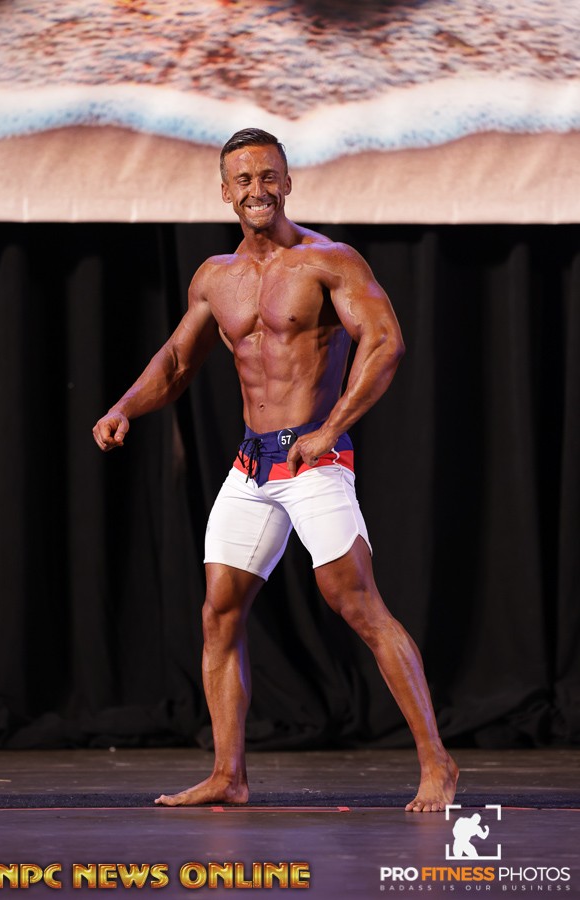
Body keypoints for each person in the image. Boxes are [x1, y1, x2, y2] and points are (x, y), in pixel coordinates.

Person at [92, 127, 458, 812]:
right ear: (224, 191)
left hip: (314, 459)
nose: (257, 190)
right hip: (252, 466)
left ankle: (438, 763)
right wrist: (123, 407)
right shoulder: (215, 277)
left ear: (287, 183)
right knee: (219, 612)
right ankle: (228, 776)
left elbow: (385, 343)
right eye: (244, 180)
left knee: (357, 604)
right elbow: (176, 361)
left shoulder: (328, 261)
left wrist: (331, 429)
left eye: (268, 177)